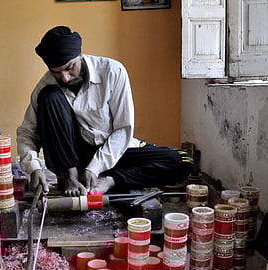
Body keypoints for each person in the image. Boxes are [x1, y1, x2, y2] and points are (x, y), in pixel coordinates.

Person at [17, 26, 192, 196]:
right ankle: (68, 176)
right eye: (56, 73)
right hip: (73, 158)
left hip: (111, 152)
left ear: (80, 55)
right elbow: (28, 132)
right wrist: (34, 169)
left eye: (70, 67)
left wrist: (94, 168)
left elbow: (123, 129)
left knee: (183, 161)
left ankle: (111, 180)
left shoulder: (112, 71)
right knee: (50, 96)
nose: (65, 77)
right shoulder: (46, 85)